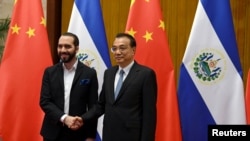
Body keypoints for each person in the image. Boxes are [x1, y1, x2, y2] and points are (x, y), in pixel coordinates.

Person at [82, 32, 157, 141]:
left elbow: (149, 114)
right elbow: (101, 105)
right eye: (114, 49)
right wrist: (82, 118)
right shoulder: (109, 73)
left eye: (122, 48)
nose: (117, 52)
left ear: (133, 50)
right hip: (109, 134)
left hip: (132, 136)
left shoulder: (145, 74)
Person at [39, 32, 98, 141]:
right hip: (52, 133)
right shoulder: (49, 72)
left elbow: (93, 107)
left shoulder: (89, 73)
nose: (63, 50)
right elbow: (45, 101)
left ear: (76, 48)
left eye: (67, 46)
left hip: (79, 133)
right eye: (60, 46)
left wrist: (90, 136)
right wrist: (65, 118)